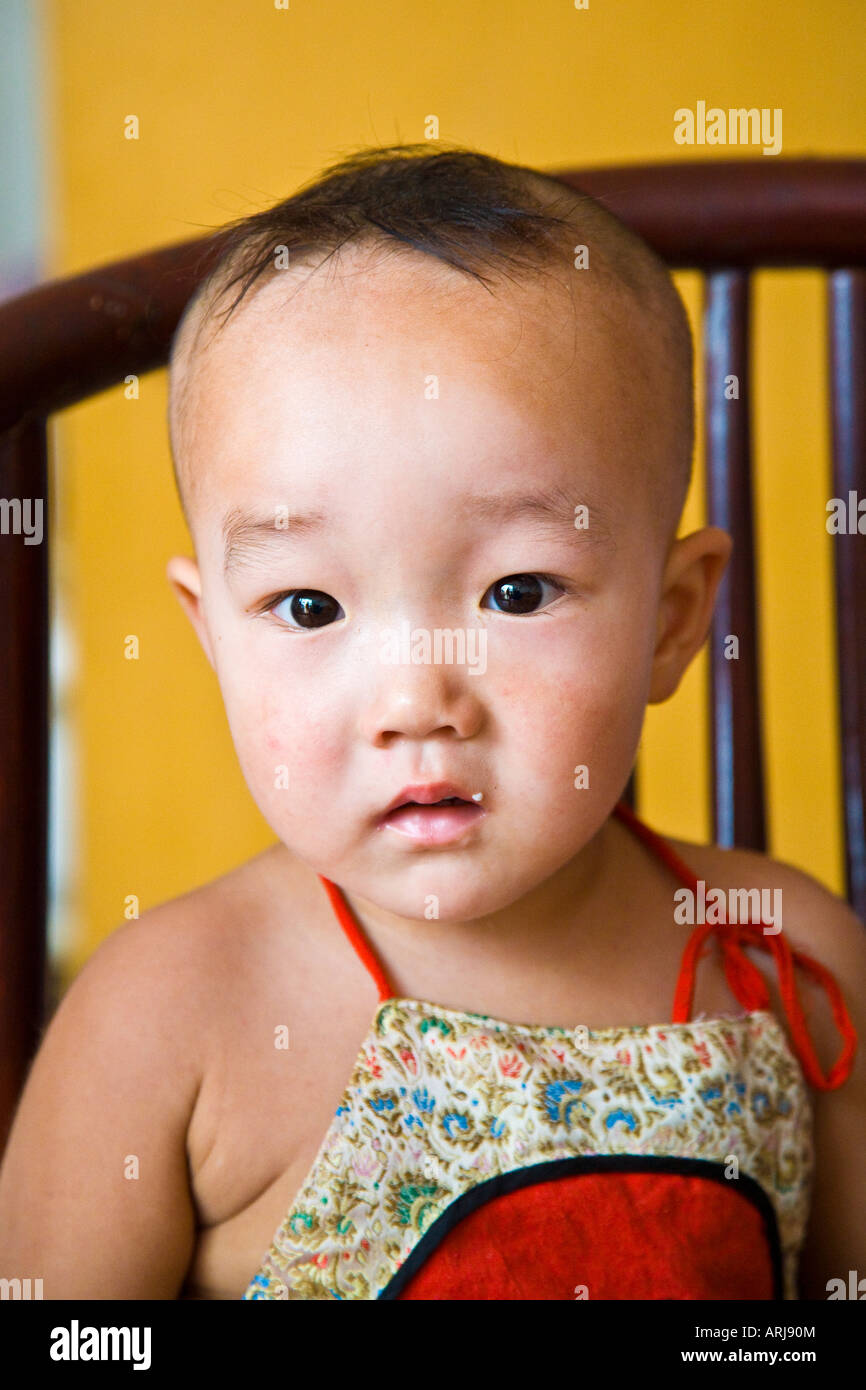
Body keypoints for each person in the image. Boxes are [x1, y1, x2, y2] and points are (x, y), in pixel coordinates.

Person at [0, 144, 862, 1301]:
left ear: (668, 624)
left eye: (516, 592)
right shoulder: (168, 1013)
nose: (416, 699)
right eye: (308, 605)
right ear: (212, 637)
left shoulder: (785, 958)